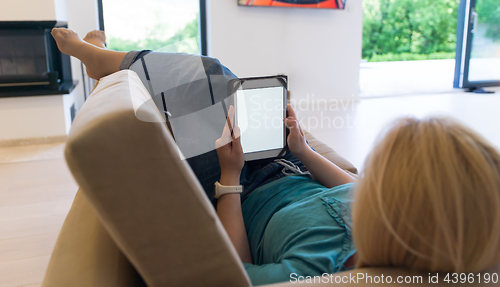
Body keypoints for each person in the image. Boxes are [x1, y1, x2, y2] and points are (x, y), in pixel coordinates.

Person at [51, 28, 500, 285]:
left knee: (208, 76)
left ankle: (108, 63)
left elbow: (237, 267)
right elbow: (350, 184)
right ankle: (114, 62)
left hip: (234, 186)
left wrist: (230, 177)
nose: (370, 190)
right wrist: (301, 149)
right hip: (280, 163)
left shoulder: (312, 266)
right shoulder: (385, 219)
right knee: (228, 89)